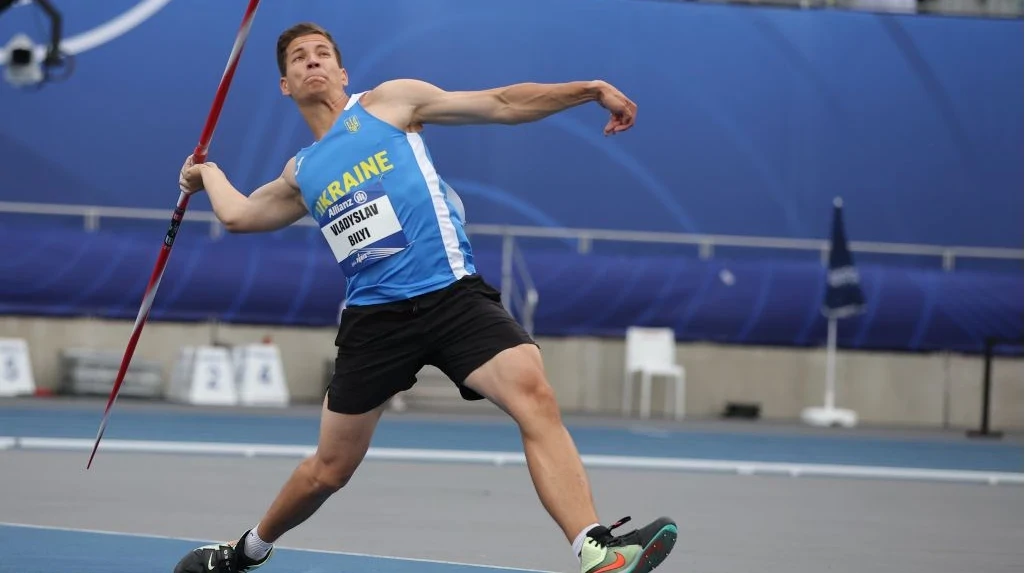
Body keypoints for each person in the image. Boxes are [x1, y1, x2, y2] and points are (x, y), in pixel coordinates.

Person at [172, 21, 677, 573]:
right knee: (329, 470)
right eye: (298, 58)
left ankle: (596, 550)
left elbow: (503, 103)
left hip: (452, 297)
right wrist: (208, 174)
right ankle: (246, 550)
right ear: (286, 85)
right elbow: (241, 214)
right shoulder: (303, 171)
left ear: (343, 72)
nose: (312, 61)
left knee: (534, 394)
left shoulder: (390, 103)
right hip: (375, 321)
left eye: (322, 53)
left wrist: (589, 89)